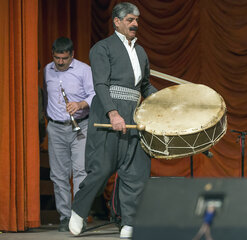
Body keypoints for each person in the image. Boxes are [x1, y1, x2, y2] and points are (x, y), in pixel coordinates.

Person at [69, 2, 157, 239]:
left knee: (136, 170)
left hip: (133, 115)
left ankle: (129, 222)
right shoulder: (102, 48)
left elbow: (145, 85)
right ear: (116, 22)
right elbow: (100, 84)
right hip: (108, 113)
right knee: (102, 169)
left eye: (137, 20)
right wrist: (113, 113)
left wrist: (163, 102)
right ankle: (78, 210)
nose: (135, 24)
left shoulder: (141, 52)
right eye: (130, 20)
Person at [43, 37, 95, 232]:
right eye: (57, 58)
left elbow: (94, 94)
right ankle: (65, 216)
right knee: (58, 175)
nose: (60, 62)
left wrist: (80, 104)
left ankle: (78, 215)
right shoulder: (48, 70)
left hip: (81, 126)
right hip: (56, 128)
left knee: (80, 171)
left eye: (64, 58)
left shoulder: (84, 70)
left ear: (72, 55)